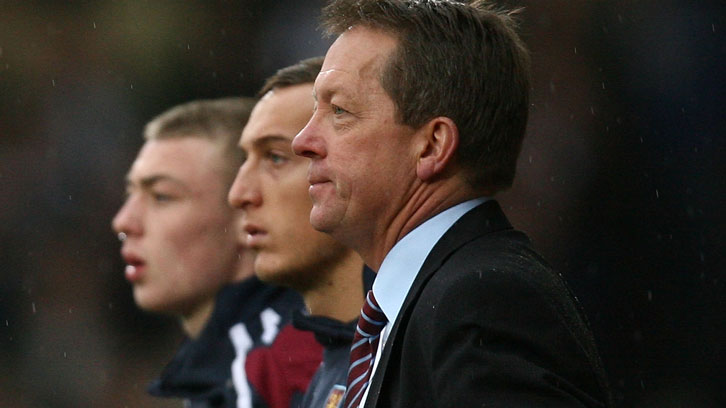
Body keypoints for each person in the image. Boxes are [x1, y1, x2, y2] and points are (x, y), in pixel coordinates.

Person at [291, 1, 614, 407]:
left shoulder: (481, 301)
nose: (302, 141)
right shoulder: (424, 307)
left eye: (340, 111)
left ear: (432, 146)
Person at [112, 97, 321, 408]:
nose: (124, 221)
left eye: (162, 196)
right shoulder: (227, 366)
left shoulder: (279, 363)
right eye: (131, 194)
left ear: (243, 212)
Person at [228, 57, 373, 408]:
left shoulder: (428, 345)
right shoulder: (308, 373)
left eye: (275, 157)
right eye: (244, 159)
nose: (239, 194)